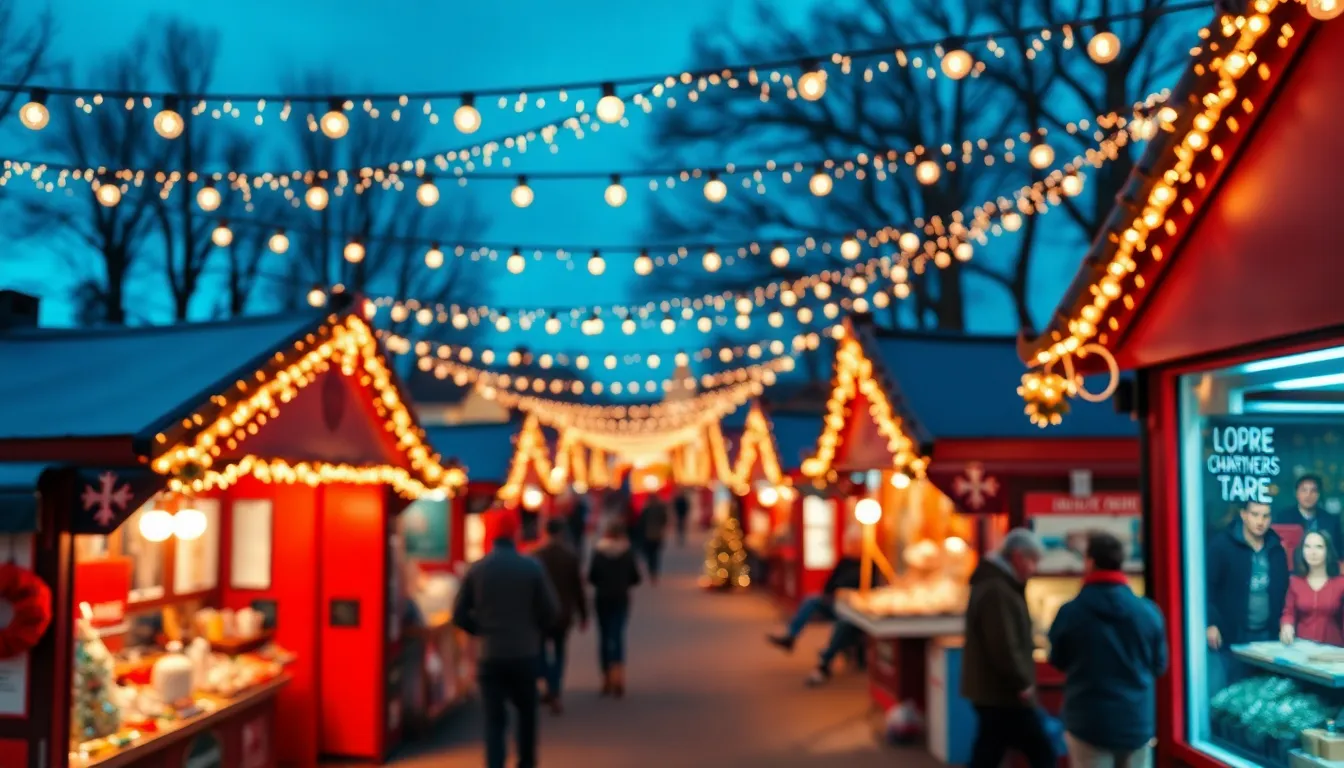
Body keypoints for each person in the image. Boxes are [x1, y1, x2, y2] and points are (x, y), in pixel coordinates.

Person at [1048, 531, 1168, 768]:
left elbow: (1058, 660)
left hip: (1088, 723)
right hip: (1136, 722)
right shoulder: (1148, 612)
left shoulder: (1070, 613)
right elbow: (1159, 665)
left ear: (1090, 562)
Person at [452, 510, 559, 768]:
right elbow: (551, 610)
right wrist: (534, 631)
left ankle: (496, 763)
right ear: (516, 533)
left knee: (494, 719)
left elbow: (459, 614)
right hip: (525, 653)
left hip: (491, 654)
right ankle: (526, 761)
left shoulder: (477, 569)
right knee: (526, 715)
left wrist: (481, 630)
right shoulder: (532, 567)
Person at [963, 528, 1053, 768]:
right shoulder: (998, 590)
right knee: (1042, 752)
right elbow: (1003, 644)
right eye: (1032, 560)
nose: (1034, 569)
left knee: (988, 752)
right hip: (1003, 693)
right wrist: (1022, 682)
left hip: (995, 691)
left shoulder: (997, 584)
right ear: (1017, 556)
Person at [1207, 500, 1289, 687]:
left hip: (1268, 635)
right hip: (1233, 633)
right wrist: (1210, 623)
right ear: (1244, 515)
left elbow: (1285, 590)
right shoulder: (1222, 545)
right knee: (1234, 689)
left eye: (1265, 516)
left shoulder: (1276, 548)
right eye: (1255, 515)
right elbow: (1208, 587)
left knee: (1264, 690)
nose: (1260, 521)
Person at [767, 528, 868, 653]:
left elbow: (870, 589)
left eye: (855, 543)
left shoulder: (868, 565)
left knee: (844, 621)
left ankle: (826, 657)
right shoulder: (844, 561)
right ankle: (790, 636)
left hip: (853, 607)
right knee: (811, 600)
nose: (852, 547)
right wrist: (831, 594)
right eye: (850, 543)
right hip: (835, 601)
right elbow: (829, 584)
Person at [532, 517, 589, 714]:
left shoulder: (536, 556)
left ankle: (547, 682)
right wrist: (584, 614)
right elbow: (578, 589)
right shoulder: (570, 557)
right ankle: (555, 689)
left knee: (539, 651)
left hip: (540, 615)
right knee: (559, 652)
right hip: (563, 613)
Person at [588, 519, 642, 697]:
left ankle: (605, 677)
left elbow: (592, 576)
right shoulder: (627, 552)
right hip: (621, 597)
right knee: (617, 635)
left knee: (603, 636)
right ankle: (618, 675)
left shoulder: (599, 551)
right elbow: (635, 577)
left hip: (602, 598)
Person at [1281, 530, 1344, 646]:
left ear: (1328, 551)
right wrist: (1287, 625)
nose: (1312, 552)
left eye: (1319, 547)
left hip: (1333, 650)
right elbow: (1288, 612)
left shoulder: (1341, 583)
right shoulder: (1295, 582)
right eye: (1307, 547)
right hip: (1302, 647)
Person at [1274, 474, 1343, 549]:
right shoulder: (1283, 518)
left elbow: (1338, 550)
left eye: (1313, 491)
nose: (1308, 495)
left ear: (1319, 494)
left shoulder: (1331, 520)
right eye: (1304, 490)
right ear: (1296, 493)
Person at [640, 496, 669, 584]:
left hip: (648, 535)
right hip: (657, 535)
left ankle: (651, 571)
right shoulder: (660, 510)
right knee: (655, 555)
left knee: (650, 555)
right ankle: (654, 573)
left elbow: (642, 522)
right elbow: (664, 521)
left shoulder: (646, 510)